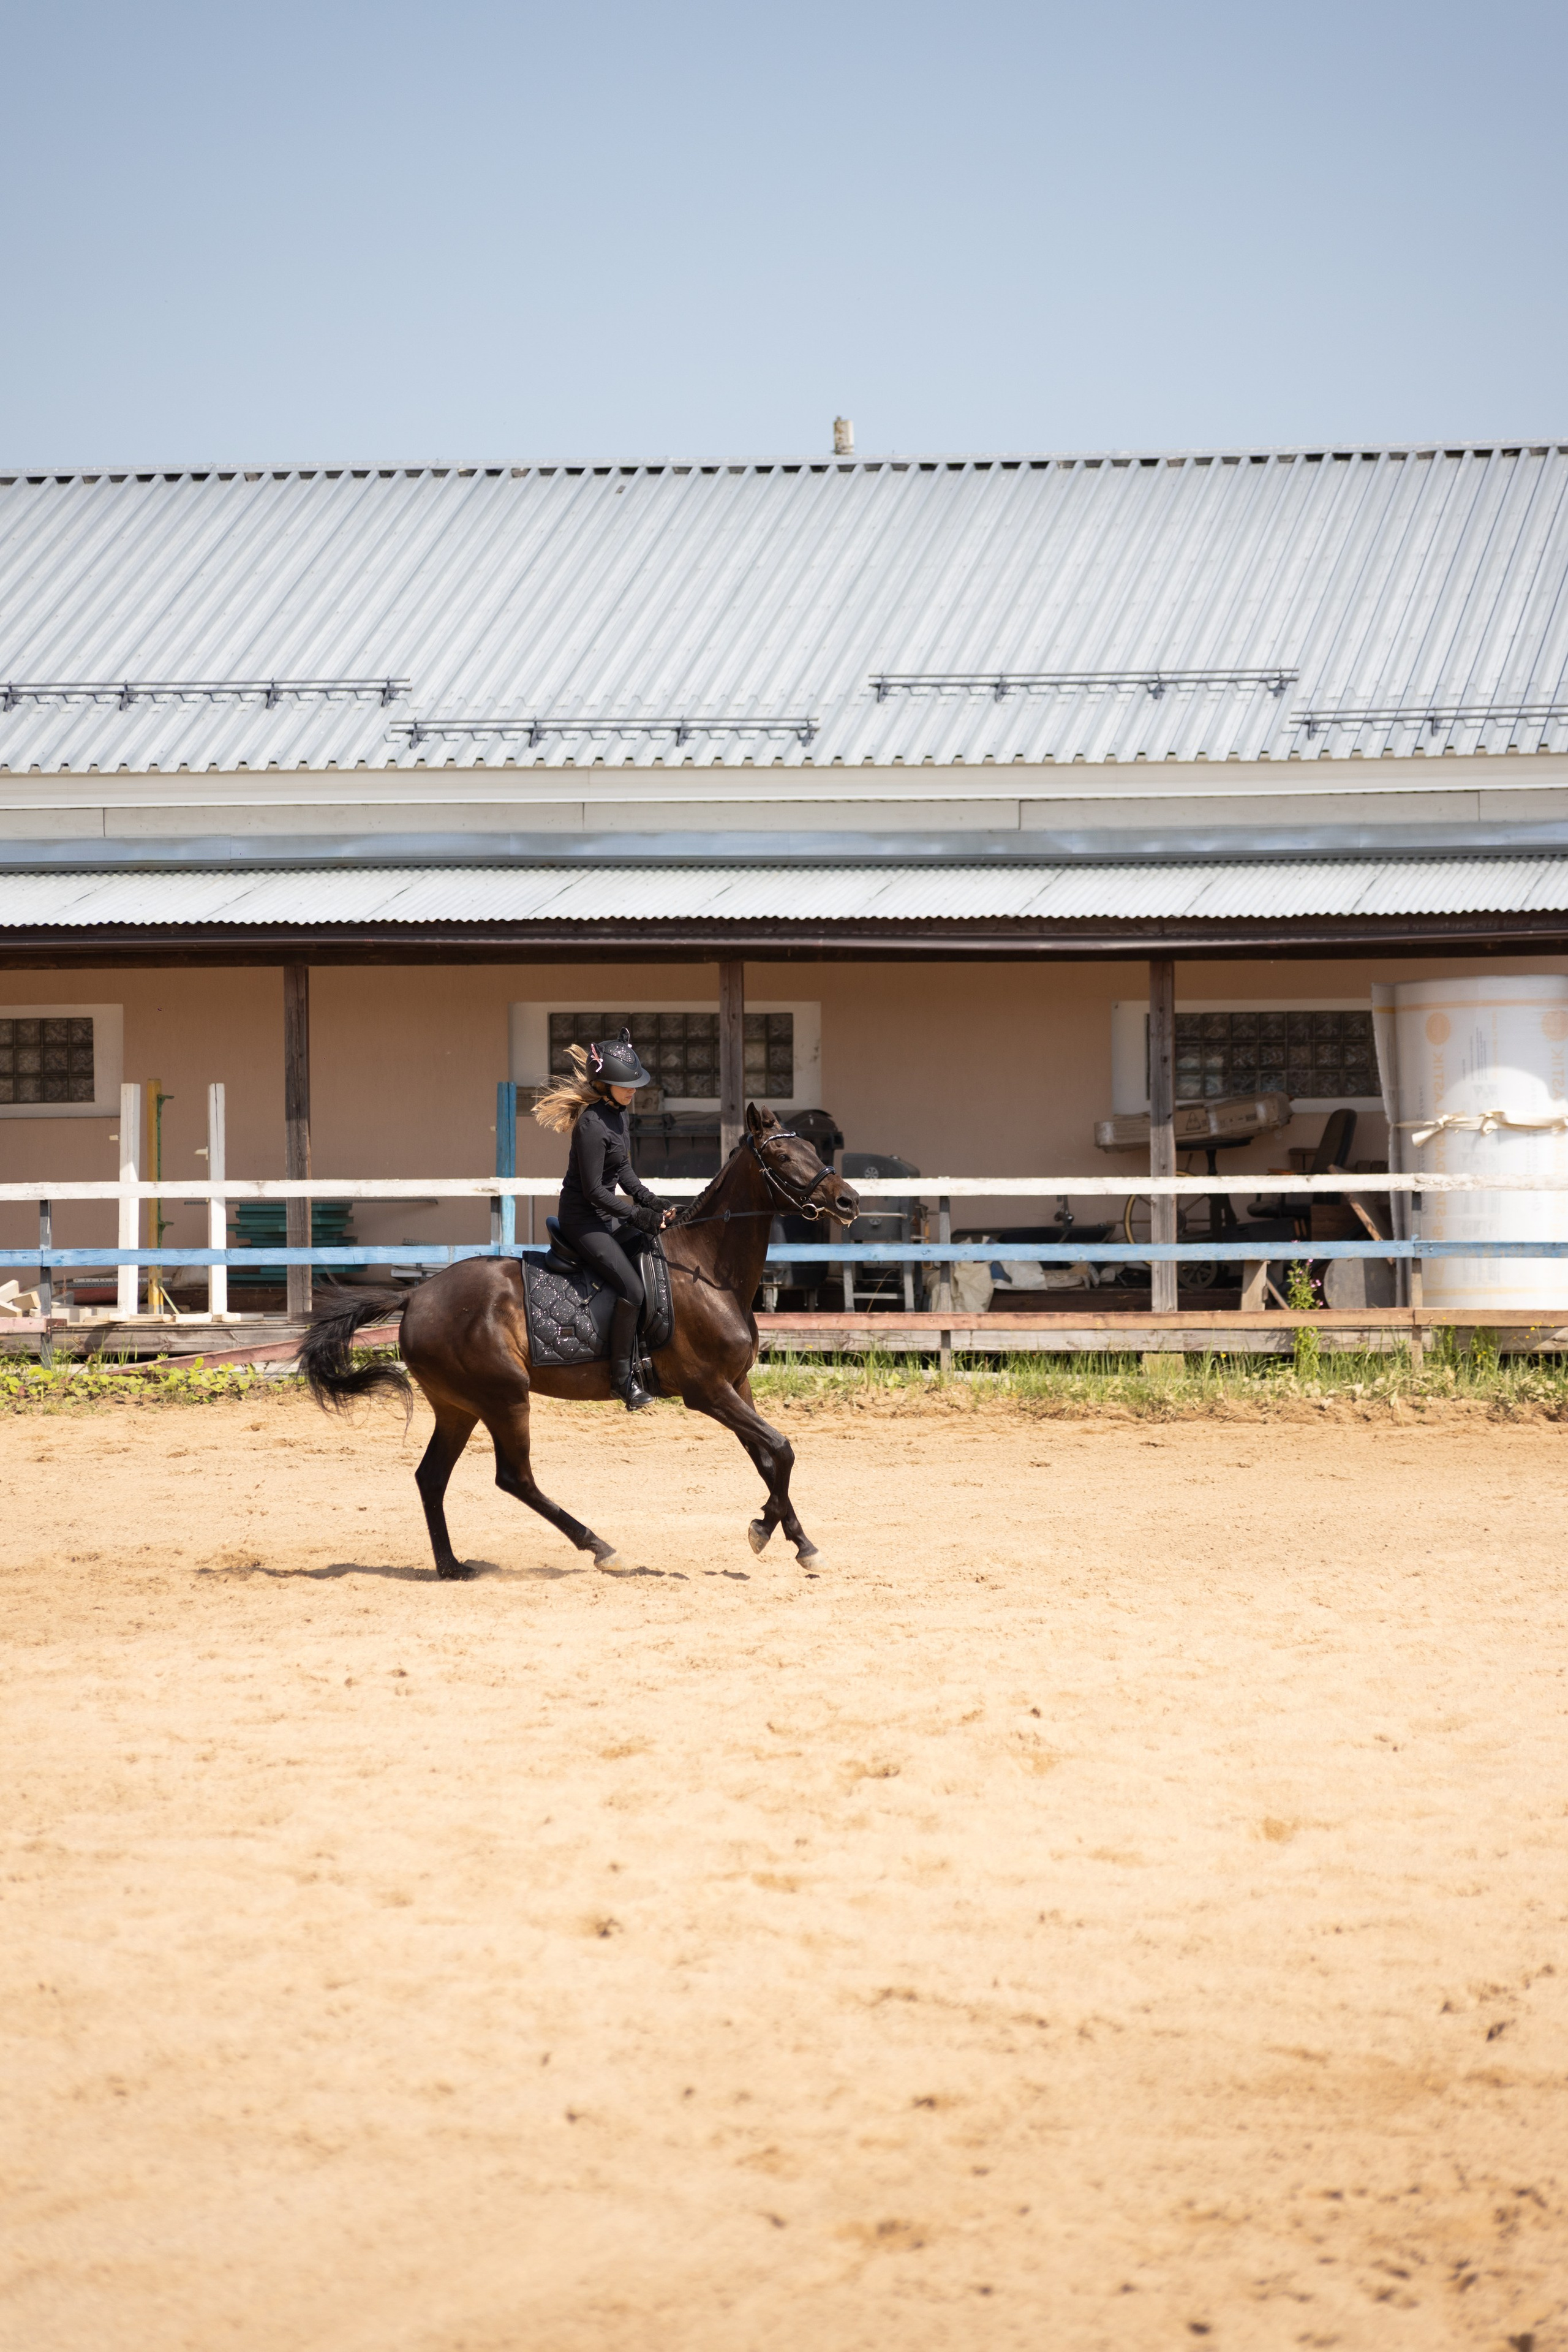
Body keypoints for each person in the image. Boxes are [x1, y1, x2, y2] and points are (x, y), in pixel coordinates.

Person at [533, 1027, 677, 1411]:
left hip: (607, 1219)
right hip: (585, 1223)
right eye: (624, 1084)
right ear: (604, 1084)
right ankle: (621, 1381)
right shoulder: (592, 1125)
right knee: (632, 1289)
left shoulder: (618, 1117)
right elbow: (597, 1191)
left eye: (634, 1084)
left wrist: (653, 1202)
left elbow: (623, 1172)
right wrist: (639, 1215)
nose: (633, 1090)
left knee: (653, 1252)